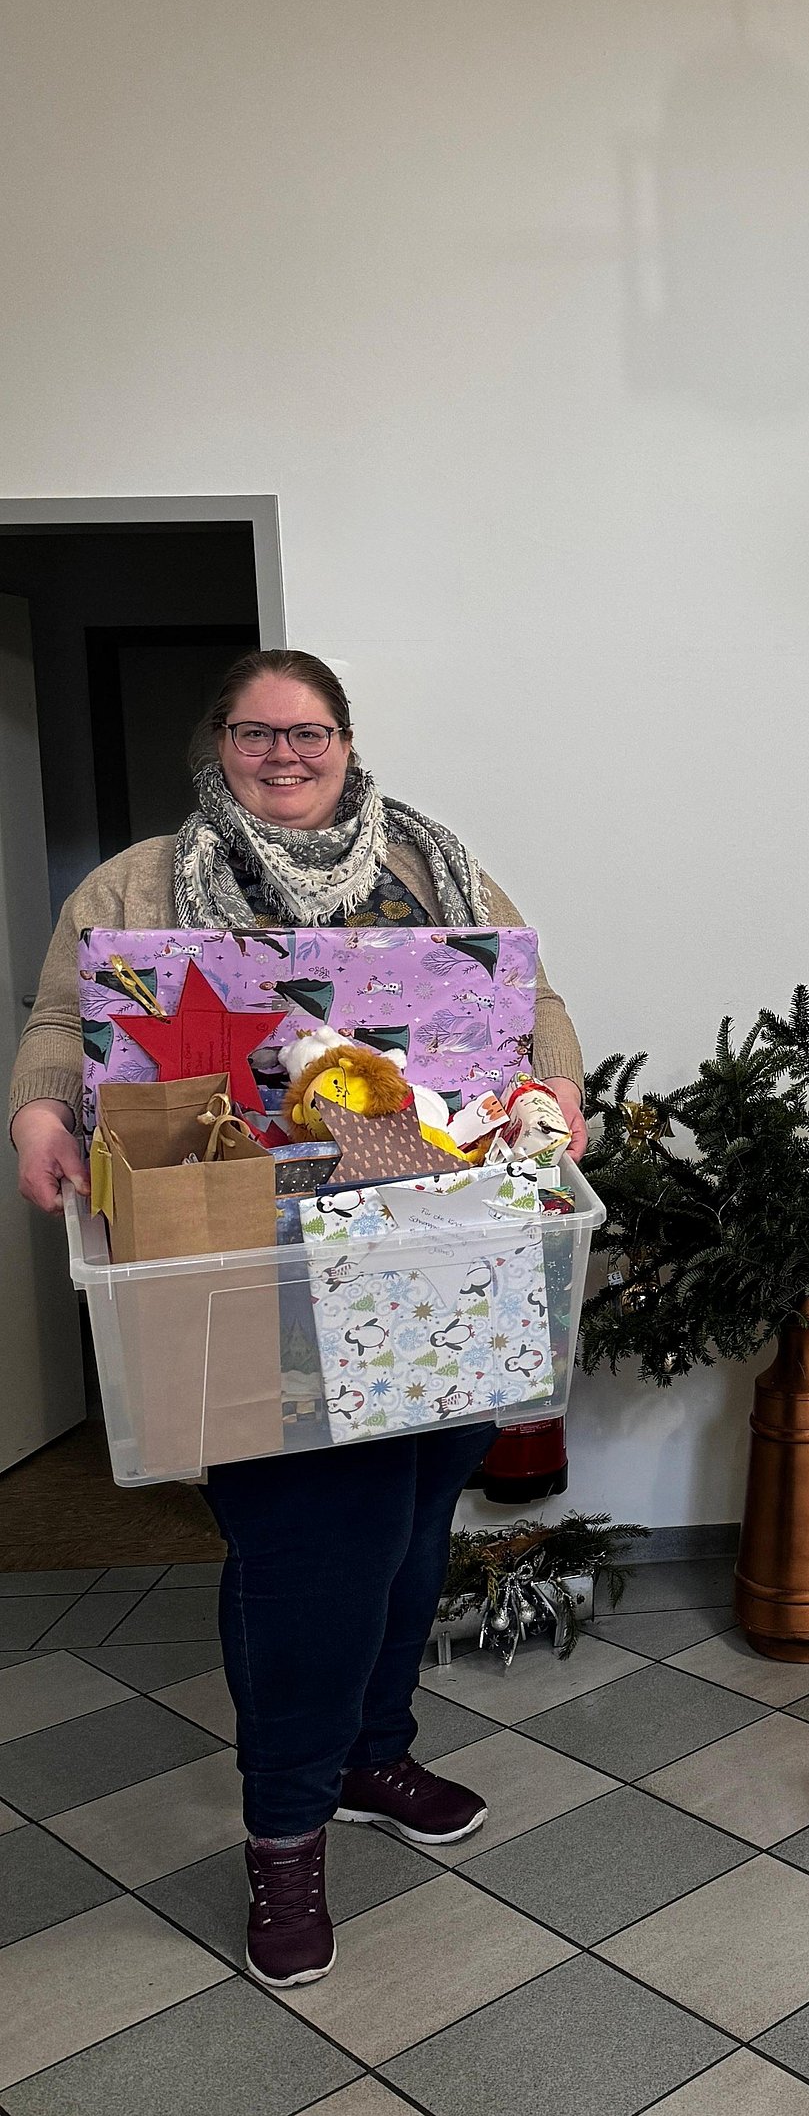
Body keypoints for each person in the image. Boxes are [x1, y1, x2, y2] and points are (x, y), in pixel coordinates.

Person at [8, 649, 588, 1988]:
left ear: (346, 739)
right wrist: (43, 1110)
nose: (283, 752)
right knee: (306, 1551)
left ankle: (374, 1751)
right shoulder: (140, 881)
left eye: (308, 729)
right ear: (221, 741)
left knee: (409, 1518)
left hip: (435, 1264)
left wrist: (552, 1095)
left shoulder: (437, 866)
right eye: (255, 731)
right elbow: (60, 1020)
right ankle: (285, 1830)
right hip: (246, 1269)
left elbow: (532, 1004)